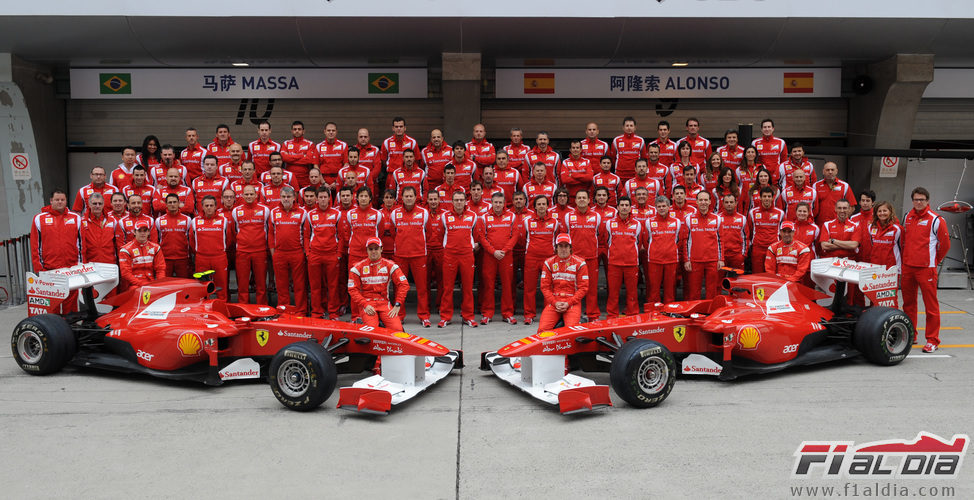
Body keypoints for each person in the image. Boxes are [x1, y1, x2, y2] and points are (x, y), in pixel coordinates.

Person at [901, 187, 950, 353]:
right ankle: (910, 334)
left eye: (922, 199)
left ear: (928, 201)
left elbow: (945, 245)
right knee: (908, 304)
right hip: (908, 267)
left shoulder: (936, 219)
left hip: (926, 269)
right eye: (916, 199)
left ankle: (932, 340)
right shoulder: (908, 216)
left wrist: (934, 261)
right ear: (912, 200)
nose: (919, 202)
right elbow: (905, 241)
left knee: (931, 306)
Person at [389, 186, 431, 326]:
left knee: (422, 287)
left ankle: (424, 315)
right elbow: (393, 233)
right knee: (400, 287)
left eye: (411, 196)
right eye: (406, 196)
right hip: (400, 255)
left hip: (419, 255)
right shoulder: (395, 214)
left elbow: (429, 233)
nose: (408, 198)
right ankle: (400, 315)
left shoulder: (424, 213)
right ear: (401, 198)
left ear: (415, 197)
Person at [438, 191, 480, 327]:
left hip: (467, 255)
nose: (459, 202)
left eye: (461, 200)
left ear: (465, 201)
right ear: (452, 201)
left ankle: (468, 316)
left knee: (468, 288)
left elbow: (477, 235)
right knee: (447, 288)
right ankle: (445, 316)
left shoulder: (473, 216)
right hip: (450, 255)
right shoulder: (444, 216)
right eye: (456, 200)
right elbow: (439, 235)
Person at [348, 238, 409, 331]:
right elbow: (352, 289)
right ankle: (362, 321)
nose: (373, 251)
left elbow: (404, 284)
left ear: (381, 249)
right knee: (372, 330)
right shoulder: (357, 268)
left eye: (376, 249)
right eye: (370, 249)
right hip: (367, 304)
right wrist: (364, 304)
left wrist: (398, 304)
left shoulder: (390, 265)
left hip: (384, 303)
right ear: (367, 250)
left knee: (397, 329)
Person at [341, 187, 382, 320]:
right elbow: (347, 234)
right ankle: (355, 316)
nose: (363, 198)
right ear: (356, 198)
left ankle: (371, 314)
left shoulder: (377, 215)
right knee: (354, 286)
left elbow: (379, 234)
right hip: (354, 254)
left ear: (370, 198)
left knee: (371, 286)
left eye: (366, 196)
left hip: (371, 256)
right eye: (361, 196)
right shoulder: (350, 214)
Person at [478, 192, 518, 325]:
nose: (498, 205)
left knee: (507, 285)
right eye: (496, 202)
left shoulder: (511, 216)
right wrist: (493, 251)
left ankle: (507, 313)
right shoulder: (484, 217)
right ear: (492, 203)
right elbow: (482, 238)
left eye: (500, 202)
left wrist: (504, 251)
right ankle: (487, 313)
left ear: (504, 203)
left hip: (506, 256)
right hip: (490, 256)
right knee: (488, 285)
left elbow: (515, 236)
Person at [518, 195, 559, 325]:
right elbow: (524, 238)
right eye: (539, 204)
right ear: (534, 206)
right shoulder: (527, 221)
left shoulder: (555, 222)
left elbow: (557, 240)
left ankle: (549, 313)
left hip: (549, 259)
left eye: (544, 204)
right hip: (531, 257)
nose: (541, 206)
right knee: (529, 288)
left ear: (548, 206)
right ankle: (529, 314)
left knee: (548, 288)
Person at [562, 190, 602, 321]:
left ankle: (593, 314)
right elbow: (565, 237)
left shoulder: (597, 216)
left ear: (589, 200)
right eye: (579, 197)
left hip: (591, 257)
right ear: (575, 200)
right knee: (572, 288)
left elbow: (600, 235)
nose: (581, 200)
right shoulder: (568, 217)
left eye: (584, 197)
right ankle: (572, 314)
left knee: (591, 288)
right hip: (574, 259)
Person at [305, 187, 344, 319]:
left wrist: (338, 254)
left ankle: (333, 312)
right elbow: (306, 236)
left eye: (325, 197)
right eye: (320, 197)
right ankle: (317, 312)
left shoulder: (337, 214)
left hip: (331, 254)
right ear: (316, 199)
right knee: (315, 286)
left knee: (333, 285)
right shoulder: (310, 215)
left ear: (329, 198)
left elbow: (341, 236)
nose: (322, 200)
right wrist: (308, 253)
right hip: (315, 255)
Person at [537, 234, 590, 332]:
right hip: (554, 302)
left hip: (572, 302)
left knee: (570, 332)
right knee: (542, 330)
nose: (563, 249)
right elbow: (544, 287)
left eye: (566, 246)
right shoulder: (548, 263)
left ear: (570, 248)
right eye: (560, 246)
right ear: (556, 248)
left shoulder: (580, 263)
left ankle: (581, 321)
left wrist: (569, 303)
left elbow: (584, 288)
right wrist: (554, 302)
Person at [268, 186, 307, 312]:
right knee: (281, 284)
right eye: (283, 197)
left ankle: (301, 310)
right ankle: (283, 310)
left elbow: (306, 234)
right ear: (280, 197)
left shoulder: (302, 212)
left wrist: (304, 252)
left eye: (288, 197)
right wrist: (273, 252)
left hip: (296, 252)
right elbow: (270, 233)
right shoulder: (273, 212)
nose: (286, 199)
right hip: (279, 254)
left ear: (294, 198)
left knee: (299, 284)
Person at [231, 185, 271, 304]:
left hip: (260, 251)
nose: (249, 196)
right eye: (246, 194)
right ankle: (243, 308)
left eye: (251, 194)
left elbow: (268, 230)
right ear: (242, 195)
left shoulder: (265, 210)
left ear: (256, 195)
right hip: (242, 252)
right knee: (243, 284)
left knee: (261, 284)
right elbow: (234, 231)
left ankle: (262, 308)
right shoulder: (236, 211)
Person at [605, 196, 642, 316]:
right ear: (618, 207)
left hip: (631, 264)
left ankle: (632, 313)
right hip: (614, 263)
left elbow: (639, 242)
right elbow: (607, 241)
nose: (624, 207)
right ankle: (612, 314)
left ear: (631, 208)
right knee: (613, 293)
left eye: (627, 205)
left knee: (632, 293)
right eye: (622, 205)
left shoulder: (637, 224)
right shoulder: (610, 223)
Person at [192, 196, 233, 300]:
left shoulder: (223, 220)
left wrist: (219, 250)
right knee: (202, 288)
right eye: (206, 205)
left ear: (216, 207)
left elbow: (228, 239)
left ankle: (222, 310)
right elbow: (192, 240)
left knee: (221, 287)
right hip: (201, 258)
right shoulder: (195, 221)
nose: (209, 208)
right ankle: (204, 312)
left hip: (219, 257)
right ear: (202, 207)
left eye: (211, 205)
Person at [683, 191, 722, 299]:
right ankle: (694, 313)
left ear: (710, 201)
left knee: (711, 290)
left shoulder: (717, 219)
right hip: (695, 260)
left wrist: (721, 259)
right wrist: (687, 260)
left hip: (712, 260)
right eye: (701, 200)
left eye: (705, 200)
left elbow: (721, 240)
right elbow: (685, 241)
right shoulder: (689, 219)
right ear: (696, 202)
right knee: (694, 291)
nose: (703, 202)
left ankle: (710, 312)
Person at [645, 196, 682, 305]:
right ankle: (654, 312)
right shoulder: (649, 222)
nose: (662, 208)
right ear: (655, 207)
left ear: (669, 207)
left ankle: (668, 310)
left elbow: (678, 240)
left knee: (670, 289)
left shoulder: (677, 222)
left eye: (664, 206)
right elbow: (646, 240)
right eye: (659, 206)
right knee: (654, 289)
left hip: (671, 260)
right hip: (655, 260)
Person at [118, 221, 166, 289]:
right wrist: (142, 284)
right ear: (134, 232)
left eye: (145, 231)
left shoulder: (156, 248)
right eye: (139, 231)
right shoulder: (125, 250)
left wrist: (159, 283)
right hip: (134, 284)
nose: (142, 233)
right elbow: (125, 273)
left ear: (148, 232)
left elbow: (160, 269)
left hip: (151, 282)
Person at [747, 187, 785, 273]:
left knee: (772, 275)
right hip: (757, 249)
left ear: (773, 198)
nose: (766, 199)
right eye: (764, 196)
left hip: (774, 248)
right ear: (760, 198)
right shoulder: (752, 213)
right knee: (757, 274)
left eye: (769, 196)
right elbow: (749, 231)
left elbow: (783, 232)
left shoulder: (780, 213)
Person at [155, 194, 193, 278]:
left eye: (175, 202)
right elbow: (156, 240)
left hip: (183, 258)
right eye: (170, 202)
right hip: (165, 258)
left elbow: (191, 239)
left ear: (179, 203)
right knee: (166, 284)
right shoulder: (159, 220)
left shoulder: (187, 219)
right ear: (166, 204)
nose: (172, 204)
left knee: (183, 284)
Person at [862, 200, 902, 270]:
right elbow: (872, 245)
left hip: (892, 267)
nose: (882, 213)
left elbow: (902, 248)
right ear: (876, 213)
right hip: (875, 266)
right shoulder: (870, 227)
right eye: (879, 211)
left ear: (890, 212)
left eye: (885, 211)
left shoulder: (897, 229)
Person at [80, 193, 118, 265]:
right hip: (91, 265)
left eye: (100, 203)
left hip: (110, 263)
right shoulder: (82, 222)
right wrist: (84, 264)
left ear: (103, 205)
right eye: (94, 203)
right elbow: (81, 246)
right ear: (89, 205)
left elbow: (117, 244)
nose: (97, 206)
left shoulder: (112, 221)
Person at [381, 117, 418, 188]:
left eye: (401, 126)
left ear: (405, 128)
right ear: (393, 128)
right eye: (396, 126)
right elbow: (383, 160)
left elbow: (417, 160)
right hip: (391, 175)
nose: (399, 128)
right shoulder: (386, 142)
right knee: (391, 197)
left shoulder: (412, 142)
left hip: (408, 175)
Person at [717, 193, 748, 274]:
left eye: (731, 202)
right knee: (719, 283)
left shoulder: (742, 218)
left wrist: (743, 255)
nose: (729, 204)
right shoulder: (717, 218)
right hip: (722, 256)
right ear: (723, 203)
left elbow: (746, 237)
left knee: (738, 281)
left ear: (736, 203)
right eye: (727, 202)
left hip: (737, 256)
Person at [280, 120, 316, 188]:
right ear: (292, 131)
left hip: (305, 178)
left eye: (299, 129)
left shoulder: (310, 144)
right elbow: (284, 158)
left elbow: (309, 160)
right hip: (289, 178)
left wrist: (291, 158)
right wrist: (302, 155)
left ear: (303, 131)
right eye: (295, 129)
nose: (297, 131)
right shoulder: (286, 143)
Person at [611, 116, 646, 182]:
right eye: (627, 125)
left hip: (635, 174)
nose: (629, 127)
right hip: (620, 174)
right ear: (623, 127)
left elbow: (643, 158)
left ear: (635, 127)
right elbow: (613, 158)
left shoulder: (640, 140)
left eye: (631, 125)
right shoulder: (617, 140)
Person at [314, 122, 348, 189]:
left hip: (339, 180)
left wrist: (337, 181)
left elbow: (346, 164)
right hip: (323, 180)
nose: (331, 132)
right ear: (325, 132)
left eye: (333, 130)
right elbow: (316, 166)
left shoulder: (343, 145)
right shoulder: (318, 146)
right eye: (329, 130)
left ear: (336, 132)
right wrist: (323, 182)